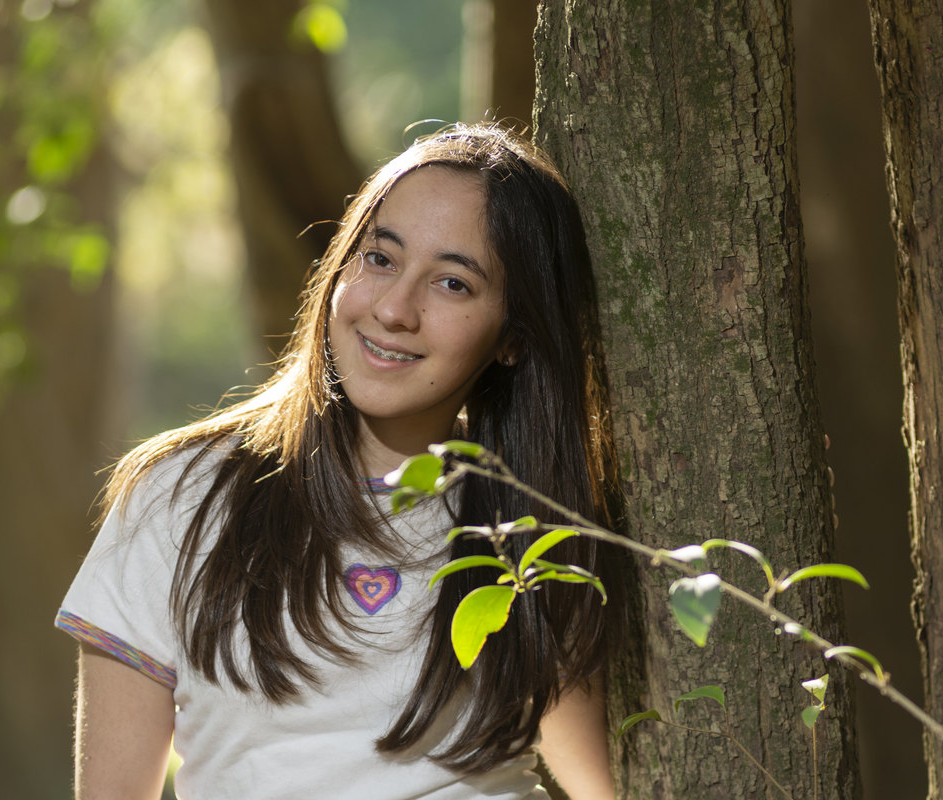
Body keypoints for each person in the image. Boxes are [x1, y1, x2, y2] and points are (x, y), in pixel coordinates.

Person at [55, 123, 626, 800]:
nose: (392, 310)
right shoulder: (179, 494)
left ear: (514, 337)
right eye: (380, 259)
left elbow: (604, 782)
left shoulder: (539, 519)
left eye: (452, 283)